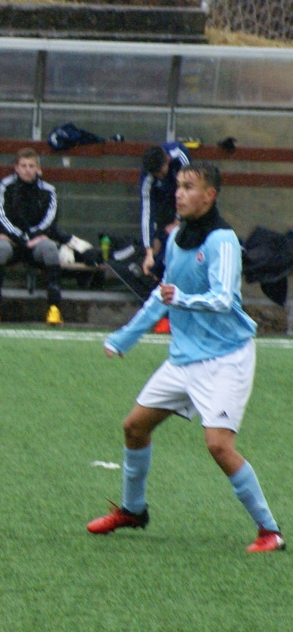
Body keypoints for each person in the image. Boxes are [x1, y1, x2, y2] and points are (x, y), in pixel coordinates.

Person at [87, 162, 284, 553]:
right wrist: (125, 337)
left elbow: (223, 299)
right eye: (178, 185)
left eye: (189, 187)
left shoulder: (222, 241)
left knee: (219, 446)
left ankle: (270, 532)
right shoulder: (178, 238)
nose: (179, 193)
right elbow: (163, 295)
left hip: (226, 359)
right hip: (183, 359)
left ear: (210, 195)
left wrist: (183, 298)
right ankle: (133, 510)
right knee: (134, 427)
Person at [0, 147, 65, 326]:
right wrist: (20, 238)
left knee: (50, 248)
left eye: (31, 166)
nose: (27, 170)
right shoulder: (5, 186)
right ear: (16, 168)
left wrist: (32, 237)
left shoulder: (49, 190)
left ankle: (54, 308)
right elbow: (1, 215)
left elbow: (50, 220)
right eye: (23, 166)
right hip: (12, 242)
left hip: (35, 244)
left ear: (38, 168)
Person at [139, 142, 191, 277]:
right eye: (155, 175)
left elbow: (189, 191)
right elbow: (146, 212)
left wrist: (178, 221)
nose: (159, 176)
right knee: (157, 245)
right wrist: (149, 251)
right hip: (164, 205)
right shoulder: (148, 178)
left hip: (187, 203)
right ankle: (157, 271)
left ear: (167, 160)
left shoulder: (180, 156)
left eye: (161, 173)